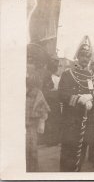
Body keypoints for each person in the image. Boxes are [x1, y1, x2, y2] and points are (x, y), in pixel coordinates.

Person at [58, 36, 94, 172]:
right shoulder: (67, 74)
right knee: (67, 154)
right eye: (82, 56)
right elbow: (62, 94)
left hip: (86, 122)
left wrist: (92, 98)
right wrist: (78, 99)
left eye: (88, 57)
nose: (85, 59)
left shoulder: (93, 77)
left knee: (80, 155)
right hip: (70, 122)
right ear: (77, 56)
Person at [26, 43, 51, 172]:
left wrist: (42, 121)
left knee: (31, 152)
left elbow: (41, 103)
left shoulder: (36, 89)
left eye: (30, 62)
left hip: (30, 125)